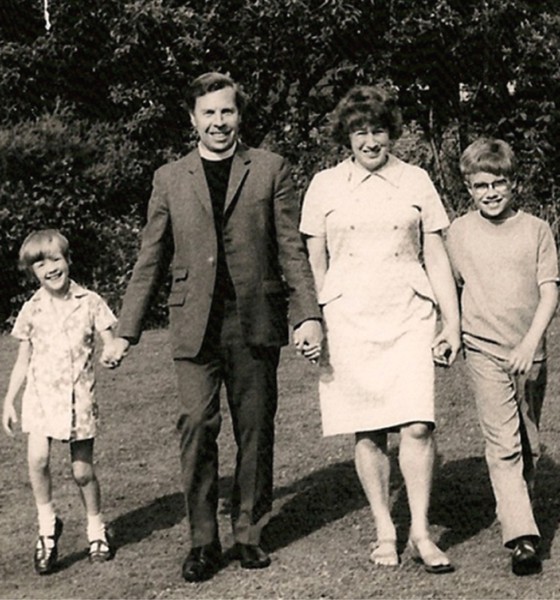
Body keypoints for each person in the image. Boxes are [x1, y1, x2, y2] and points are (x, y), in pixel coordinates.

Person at [109, 72, 322, 582]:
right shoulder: (169, 178)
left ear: (239, 115)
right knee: (197, 427)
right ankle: (203, 541)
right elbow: (151, 257)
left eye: (227, 112)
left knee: (255, 429)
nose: (219, 122)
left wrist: (308, 314)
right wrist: (125, 330)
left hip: (254, 320)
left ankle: (249, 533)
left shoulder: (271, 169)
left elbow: (291, 249)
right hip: (193, 325)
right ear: (193, 119)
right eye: (209, 113)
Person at [300, 86, 460, 573]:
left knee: (417, 423)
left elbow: (435, 253)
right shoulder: (325, 185)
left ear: (392, 132)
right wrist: (319, 319)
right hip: (349, 318)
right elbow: (314, 260)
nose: (370, 141)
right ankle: (384, 530)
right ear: (346, 137)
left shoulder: (416, 181)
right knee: (368, 429)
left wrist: (451, 322)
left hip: (409, 312)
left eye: (378, 130)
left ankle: (419, 532)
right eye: (360, 132)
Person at [446, 138, 560, 576]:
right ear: (468, 188)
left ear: (514, 184)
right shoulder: (458, 232)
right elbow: (447, 287)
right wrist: (448, 331)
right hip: (483, 349)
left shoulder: (536, 230)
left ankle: (518, 508)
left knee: (529, 439)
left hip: (530, 350)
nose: (490, 193)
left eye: (498, 183)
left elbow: (549, 290)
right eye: (480, 185)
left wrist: (531, 343)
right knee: (504, 443)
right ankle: (523, 539)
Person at [2, 229, 117, 575]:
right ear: (32, 272)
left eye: (55, 259)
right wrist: (8, 401)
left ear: (67, 260)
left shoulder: (90, 301)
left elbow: (109, 339)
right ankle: (47, 527)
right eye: (40, 264)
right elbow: (23, 360)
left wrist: (111, 351)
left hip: (78, 400)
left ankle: (96, 528)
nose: (50, 268)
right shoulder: (32, 309)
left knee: (82, 472)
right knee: (37, 460)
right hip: (40, 400)